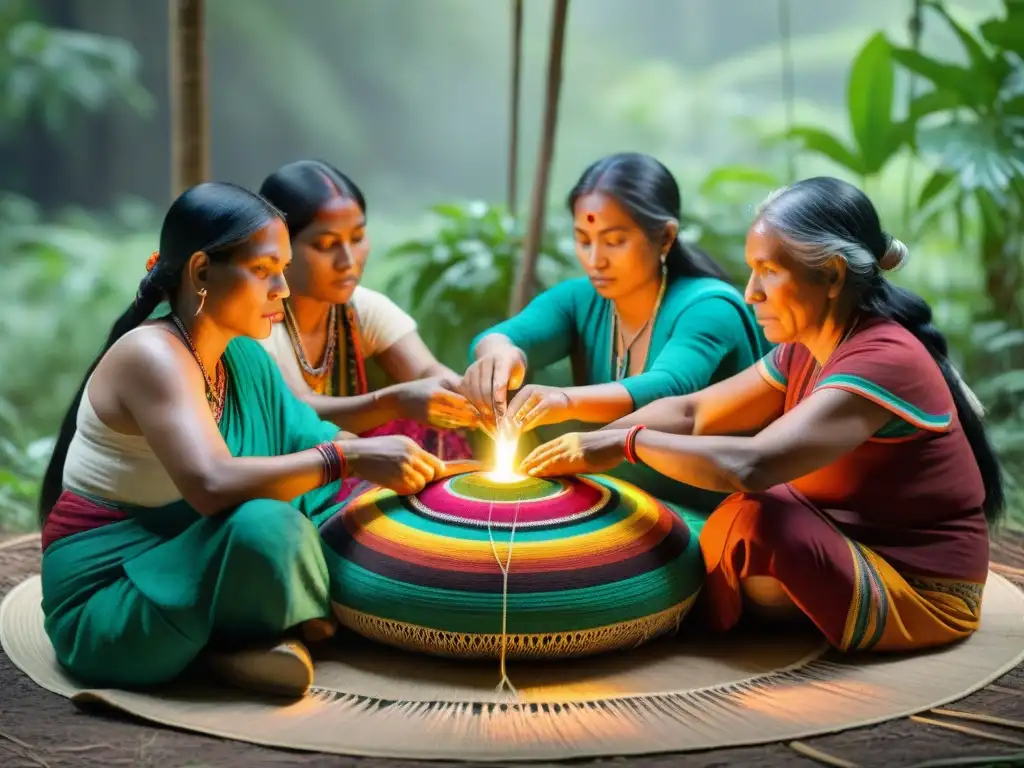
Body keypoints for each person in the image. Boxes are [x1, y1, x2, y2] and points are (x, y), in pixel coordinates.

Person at [519, 176, 1003, 653]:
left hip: (916, 587)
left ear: (832, 275)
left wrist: (626, 444)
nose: (751, 292)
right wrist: (589, 443)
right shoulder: (807, 345)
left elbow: (752, 465)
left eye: (768, 271)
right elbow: (693, 411)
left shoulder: (884, 357)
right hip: (842, 538)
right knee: (726, 523)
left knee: (754, 523)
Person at [37, 182, 459, 698]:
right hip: (113, 595)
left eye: (282, 269)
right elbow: (211, 485)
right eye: (264, 271)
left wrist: (400, 483)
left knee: (343, 507)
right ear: (200, 273)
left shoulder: (245, 358)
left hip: (197, 547)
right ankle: (232, 648)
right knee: (268, 525)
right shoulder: (150, 355)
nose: (282, 287)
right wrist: (348, 456)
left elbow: (311, 439)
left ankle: (242, 638)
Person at [461, 152, 767, 510]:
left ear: (666, 237)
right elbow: (501, 338)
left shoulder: (710, 307)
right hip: (619, 508)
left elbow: (669, 387)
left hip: (708, 514)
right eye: (583, 239)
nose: (595, 259)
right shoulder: (579, 300)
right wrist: (497, 355)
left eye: (615, 240)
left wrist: (564, 401)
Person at [257, 160, 476, 502]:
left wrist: (470, 395)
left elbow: (426, 371)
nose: (348, 260)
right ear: (279, 248)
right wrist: (399, 400)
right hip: (284, 476)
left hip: (350, 464)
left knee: (429, 428)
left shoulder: (362, 309)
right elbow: (301, 411)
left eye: (357, 238)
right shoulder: (255, 316)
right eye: (326, 245)